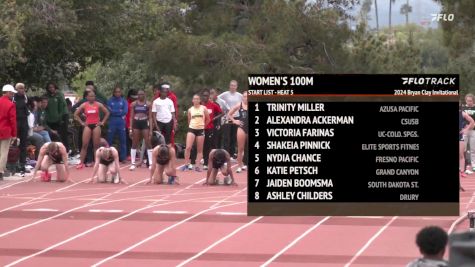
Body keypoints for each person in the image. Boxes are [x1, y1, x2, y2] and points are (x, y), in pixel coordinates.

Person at [74, 90, 110, 169]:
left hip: (96, 125)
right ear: (87, 97)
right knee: (84, 145)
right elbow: (76, 114)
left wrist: (102, 122)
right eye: (90, 96)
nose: (92, 98)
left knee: (96, 145)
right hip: (88, 125)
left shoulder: (98, 104)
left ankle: (97, 163)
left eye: (93, 96)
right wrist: (82, 123)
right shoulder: (84, 105)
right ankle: (81, 163)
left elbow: (107, 112)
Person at [191, 89, 223, 170]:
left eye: (207, 96)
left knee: (207, 146)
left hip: (209, 128)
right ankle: (192, 162)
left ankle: (205, 163)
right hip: (198, 127)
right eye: (204, 95)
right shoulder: (199, 105)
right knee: (195, 145)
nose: (205, 97)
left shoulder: (213, 105)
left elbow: (222, 113)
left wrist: (214, 118)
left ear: (209, 96)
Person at [182, 94, 210, 171]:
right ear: (192, 100)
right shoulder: (190, 110)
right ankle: (186, 164)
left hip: (200, 129)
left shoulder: (203, 108)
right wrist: (191, 126)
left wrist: (203, 126)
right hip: (192, 128)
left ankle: (197, 166)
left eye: (197, 99)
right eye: (194, 99)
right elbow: (189, 120)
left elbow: (208, 119)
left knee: (199, 149)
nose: (196, 100)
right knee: (188, 147)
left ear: (199, 100)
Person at [129, 89, 153, 170]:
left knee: (148, 142)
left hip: (144, 123)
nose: (140, 96)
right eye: (139, 94)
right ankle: (132, 163)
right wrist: (130, 129)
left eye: (142, 94)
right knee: (134, 142)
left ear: (144, 95)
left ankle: (151, 163)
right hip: (136, 123)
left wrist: (151, 130)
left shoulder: (148, 104)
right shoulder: (134, 104)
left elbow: (150, 117)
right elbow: (131, 117)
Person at [218, 80, 242, 158]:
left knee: (234, 136)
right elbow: (217, 98)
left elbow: (244, 102)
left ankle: (231, 154)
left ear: (236, 87)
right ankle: (225, 154)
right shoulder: (225, 94)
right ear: (229, 86)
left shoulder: (239, 95)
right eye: (231, 85)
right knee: (226, 136)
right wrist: (223, 107)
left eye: (234, 86)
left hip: (236, 117)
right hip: (227, 117)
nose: (233, 87)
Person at [227, 90, 248, 173]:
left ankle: (244, 164)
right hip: (242, 128)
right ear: (242, 97)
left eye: (248, 96)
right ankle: (239, 166)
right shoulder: (239, 105)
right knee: (240, 148)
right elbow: (229, 114)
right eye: (245, 96)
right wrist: (235, 121)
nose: (246, 98)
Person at [45, 82, 69, 152]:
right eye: (49, 87)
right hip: (52, 118)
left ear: (55, 87)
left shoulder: (59, 94)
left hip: (62, 115)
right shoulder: (47, 96)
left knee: (63, 133)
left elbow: (62, 106)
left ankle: (65, 150)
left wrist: (60, 118)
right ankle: (54, 150)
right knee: (54, 134)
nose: (51, 89)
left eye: (52, 87)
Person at [0, 85, 18, 180]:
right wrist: (14, 134)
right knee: (3, 152)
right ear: (7, 92)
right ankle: (0, 171)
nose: (12, 95)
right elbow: (13, 120)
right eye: (11, 93)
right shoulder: (10, 104)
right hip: (5, 130)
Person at [13, 83, 30, 176]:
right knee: (15, 143)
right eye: (20, 88)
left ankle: (22, 164)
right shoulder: (13, 98)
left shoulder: (26, 97)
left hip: (24, 122)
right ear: (16, 89)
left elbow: (30, 106)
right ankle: (14, 164)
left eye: (23, 88)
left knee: (23, 144)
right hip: (15, 121)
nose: (22, 90)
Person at [107, 85, 128, 162]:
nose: (117, 93)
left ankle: (123, 157)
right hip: (112, 122)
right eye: (116, 92)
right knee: (109, 140)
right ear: (113, 92)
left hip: (121, 122)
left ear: (121, 92)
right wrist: (119, 111)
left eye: (119, 92)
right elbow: (109, 111)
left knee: (123, 140)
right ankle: (108, 156)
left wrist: (115, 112)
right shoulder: (109, 101)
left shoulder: (124, 101)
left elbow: (125, 111)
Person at [460, 105, 474, 178]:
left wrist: (466, 129)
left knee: (461, 154)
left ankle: (462, 171)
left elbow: (472, 121)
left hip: (460, 136)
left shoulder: (462, 113)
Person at [463, 93, 475, 174]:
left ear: (473, 101)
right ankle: (464, 165)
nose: (469, 102)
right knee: (463, 149)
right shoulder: (462, 108)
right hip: (464, 130)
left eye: (470, 101)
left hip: (473, 130)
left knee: (473, 149)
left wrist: (471, 126)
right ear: (465, 100)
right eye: (467, 100)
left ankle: (473, 165)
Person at [125, 89, 138, 160]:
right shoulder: (126, 103)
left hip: (136, 123)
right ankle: (128, 154)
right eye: (133, 97)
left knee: (135, 139)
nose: (134, 99)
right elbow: (127, 115)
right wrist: (128, 125)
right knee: (128, 139)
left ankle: (135, 154)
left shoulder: (137, 103)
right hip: (128, 123)